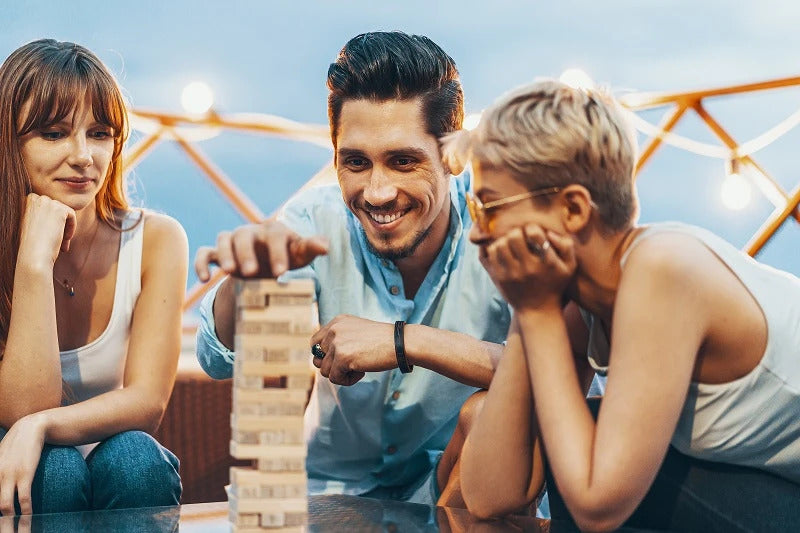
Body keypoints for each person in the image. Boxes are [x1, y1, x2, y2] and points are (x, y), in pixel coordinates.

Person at [445, 79, 800, 531]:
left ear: (573, 210)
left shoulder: (662, 269)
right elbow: (492, 495)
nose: (476, 232)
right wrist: (531, 315)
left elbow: (597, 507)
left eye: (488, 208)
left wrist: (536, 312)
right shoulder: (577, 302)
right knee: (576, 435)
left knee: (590, 452)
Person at [193, 31, 512, 505]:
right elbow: (215, 361)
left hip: (458, 490)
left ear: (454, 157)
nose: (377, 192)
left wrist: (403, 341)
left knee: (494, 414)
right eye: (357, 163)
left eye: (404, 162)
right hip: (329, 498)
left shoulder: (503, 235)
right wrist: (245, 282)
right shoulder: (312, 224)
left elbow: (552, 381)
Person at [0, 39, 186, 515]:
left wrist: (41, 427)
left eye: (100, 133)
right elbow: (20, 410)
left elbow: (147, 402)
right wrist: (34, 264)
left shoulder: (158, 239)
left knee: (137, 459)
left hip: (108, 455)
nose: (83, 155)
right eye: (54, 133)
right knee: (55, 469)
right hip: (13, 462)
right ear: (9, 142)